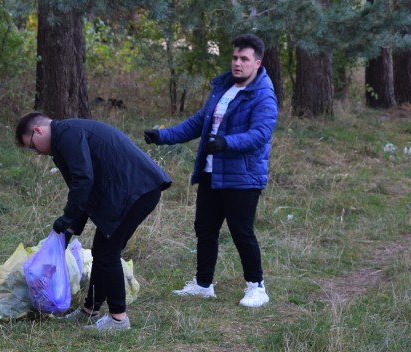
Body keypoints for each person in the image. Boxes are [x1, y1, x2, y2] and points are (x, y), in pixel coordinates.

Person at [144, 33, 278, 307]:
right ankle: (203, 285)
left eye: (244, 59)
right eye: (234, 57)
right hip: (211, 172)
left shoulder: (263, 94)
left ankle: (257, 287)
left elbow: (261, 134)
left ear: (257, 63)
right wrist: (163, 136)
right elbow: (198, 124)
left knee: (241, 231)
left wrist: (226, 142)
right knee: (205, 229)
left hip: (243, 176)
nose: (237, 63)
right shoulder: (224, 88)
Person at [15, 112, 172, 331]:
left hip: (137, 190)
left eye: (32, 146)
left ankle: (119, 319)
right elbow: (85, 188)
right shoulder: (66, 136)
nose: (36, 152)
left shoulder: (67, 135)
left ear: (38, 130)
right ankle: (90, 310)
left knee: (107, 253)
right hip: (129, 191)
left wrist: (68, 217)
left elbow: (83, 180)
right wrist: (71, 227)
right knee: (102, 251)